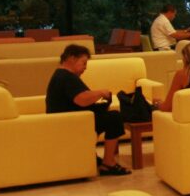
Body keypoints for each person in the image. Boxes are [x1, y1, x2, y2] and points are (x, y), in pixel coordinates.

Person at [45, 44, 130, 176]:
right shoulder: (66, 77)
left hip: (68, 119)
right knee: (114, 117)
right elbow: (82, 99)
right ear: (72, 58)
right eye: (84, 63)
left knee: (107, 115)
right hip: (70, 122)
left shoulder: (61, 75)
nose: (85, 68)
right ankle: (109, 163)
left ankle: (96, 157)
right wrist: (101, 92)